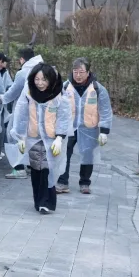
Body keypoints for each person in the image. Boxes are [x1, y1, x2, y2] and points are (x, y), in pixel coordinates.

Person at [12, 64, 71, 213]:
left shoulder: (59, 96)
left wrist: (59, 138)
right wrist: (20, 137)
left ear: (50, 80)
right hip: (33, 138)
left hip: (51, 141)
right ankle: (38, 201)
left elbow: (64, 118)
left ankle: (47, 202)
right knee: (36, 170)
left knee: (48, 170)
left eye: (44, 79)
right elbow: (21, 114)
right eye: (37, 79)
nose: (40, 83)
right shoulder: (29, 94)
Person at [56, 57, 113, 195]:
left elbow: (105, 110)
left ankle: (85, 182)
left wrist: (104, 131)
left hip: (89, 127)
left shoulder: (98, 89)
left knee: (88, 154)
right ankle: (62, 182)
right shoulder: (64, 87)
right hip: (69, 127)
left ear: (88, 72)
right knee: (64, 153)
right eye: (75, 72)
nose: (78, 75)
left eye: (81, 72)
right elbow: (57, 107)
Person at [1, 48, 44, 179]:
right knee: (33, 138)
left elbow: (14, 92)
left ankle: (19, 168)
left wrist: (3, 98)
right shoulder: (43, 69)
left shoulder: (23, 72)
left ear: (22, 59)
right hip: (39, 112)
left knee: (14, 136)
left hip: (23, 111)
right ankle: (32, 166)